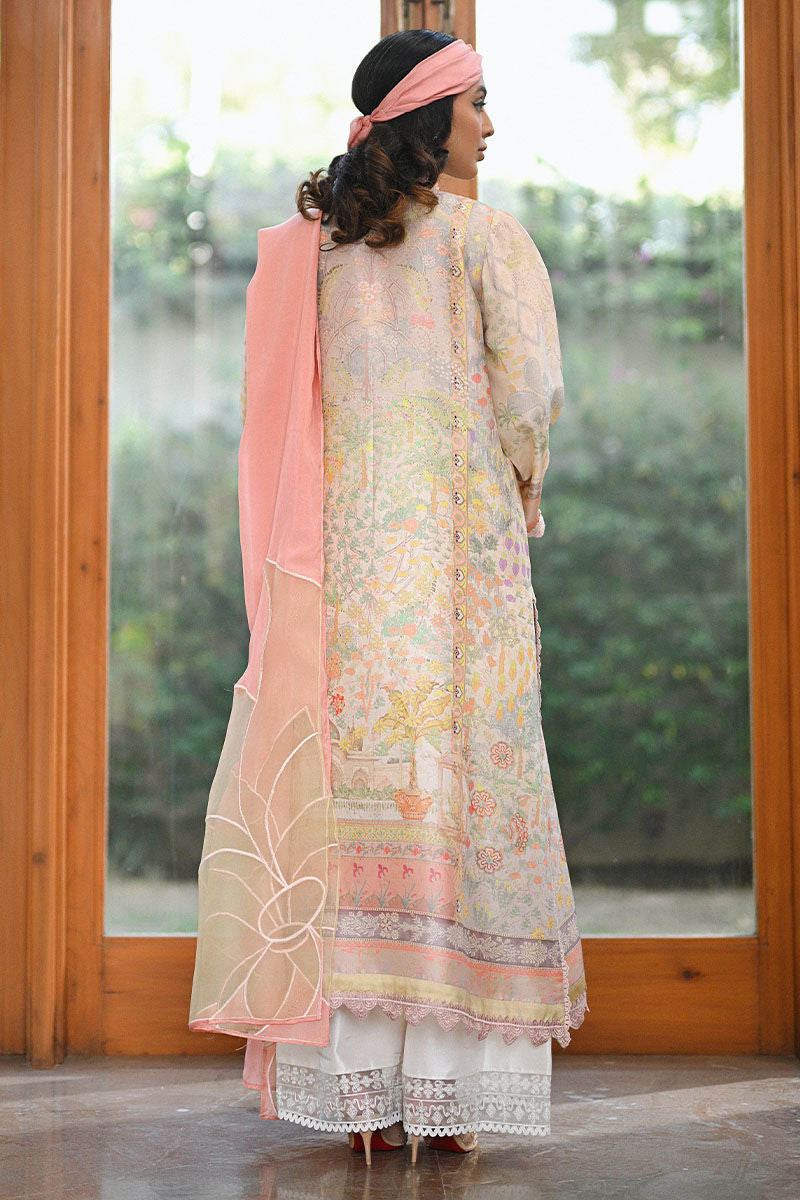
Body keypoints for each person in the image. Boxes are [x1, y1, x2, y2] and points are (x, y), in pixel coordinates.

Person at [189, 29, 587, 1166]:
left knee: (353, 793)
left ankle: (359, 1094)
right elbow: (530, 394)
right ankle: (448, 1100)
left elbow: (274, 410)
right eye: (476, 104)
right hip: (458, 563)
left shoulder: (312, 255)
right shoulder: (484, 240)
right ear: (430, 117)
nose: (489, 127)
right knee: (460, 791)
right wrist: (523, 487)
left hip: (343, 567)